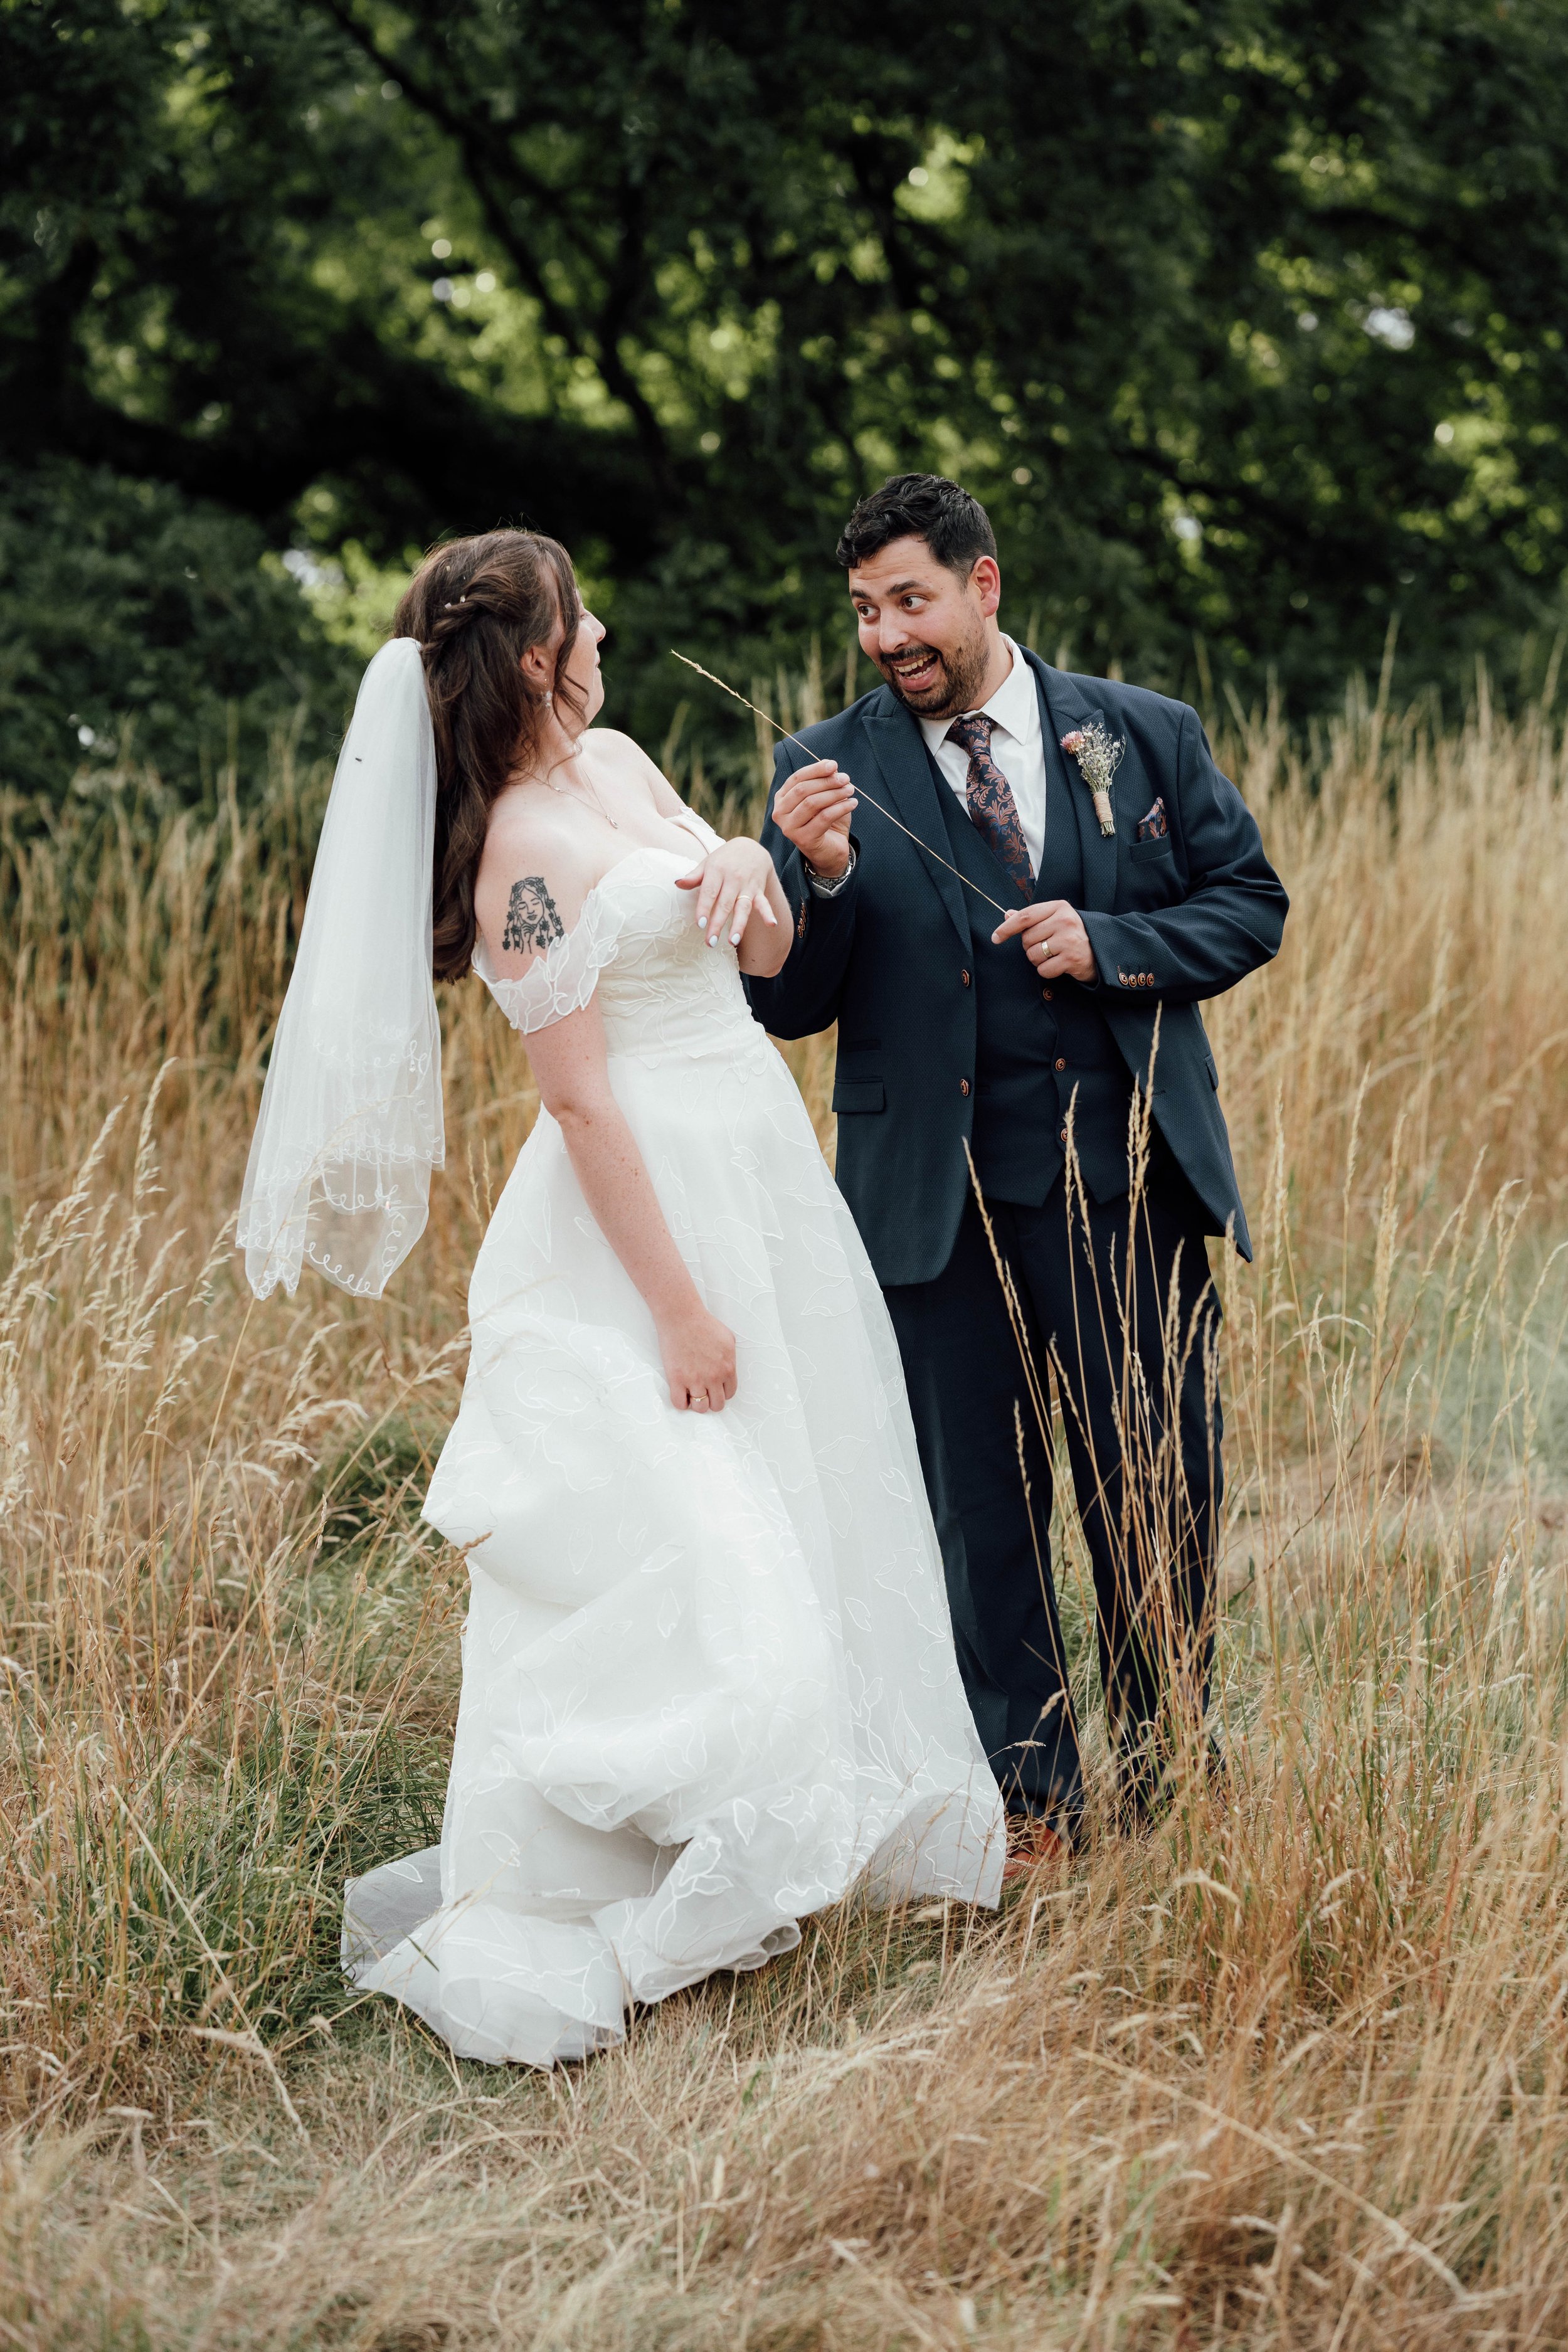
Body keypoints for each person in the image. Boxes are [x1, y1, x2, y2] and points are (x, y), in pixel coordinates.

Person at [236, 528, 1001, 2068]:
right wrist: (677, 1311)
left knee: (814, 1483)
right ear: (534, 656)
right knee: (691, 1531)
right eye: (580, 621)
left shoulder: (630, 761)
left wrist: (748, 864)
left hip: (758, 1170)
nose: (602, 636)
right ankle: (657, 1865)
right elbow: (580, 1106)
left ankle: (823, 1824)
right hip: (640, 1220)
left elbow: (764, 950)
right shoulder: (521, 845)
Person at [746, 475, 1288, 1851]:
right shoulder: (820, 770)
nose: (886, 636)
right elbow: (784, 1005)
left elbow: (1248, 903)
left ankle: (1169, 1778)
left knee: (1150, 1485)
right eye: (865, 611)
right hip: (933, 1208)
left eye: (910, 601)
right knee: (978, 1516)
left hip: (1124, 1189)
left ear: (982, 586)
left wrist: (1109, 948)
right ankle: (1030, 1801)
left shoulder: (1141, 732)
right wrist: (808, 882)